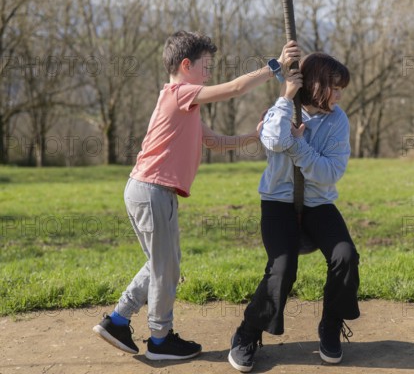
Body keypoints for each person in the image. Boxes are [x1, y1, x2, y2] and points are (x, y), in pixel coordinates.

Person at [92, 30, 301, 361]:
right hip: (152, 191)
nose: (210, 73)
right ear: (186, 65)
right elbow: (234, 89)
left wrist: (255, 137)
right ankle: (160, 340)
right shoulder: (179, 94)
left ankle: (118, 320)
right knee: (165, 269)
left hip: (148, 191)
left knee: (164, 265)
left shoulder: (183, 105)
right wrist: (275, 67)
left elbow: (216, 142)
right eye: (206, 66)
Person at [228, 53, 360, 372]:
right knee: (283, 267)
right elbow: (272, 140)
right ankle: (248, 333)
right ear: (316, 86)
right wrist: (287, 95)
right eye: (335, 88)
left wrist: (298, 146)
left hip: (318, 203)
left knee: (346, 256)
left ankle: (330, 325)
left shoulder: (338, 120)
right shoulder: (283, 108)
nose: (340, 96)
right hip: (278, 202)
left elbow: (329, 173)